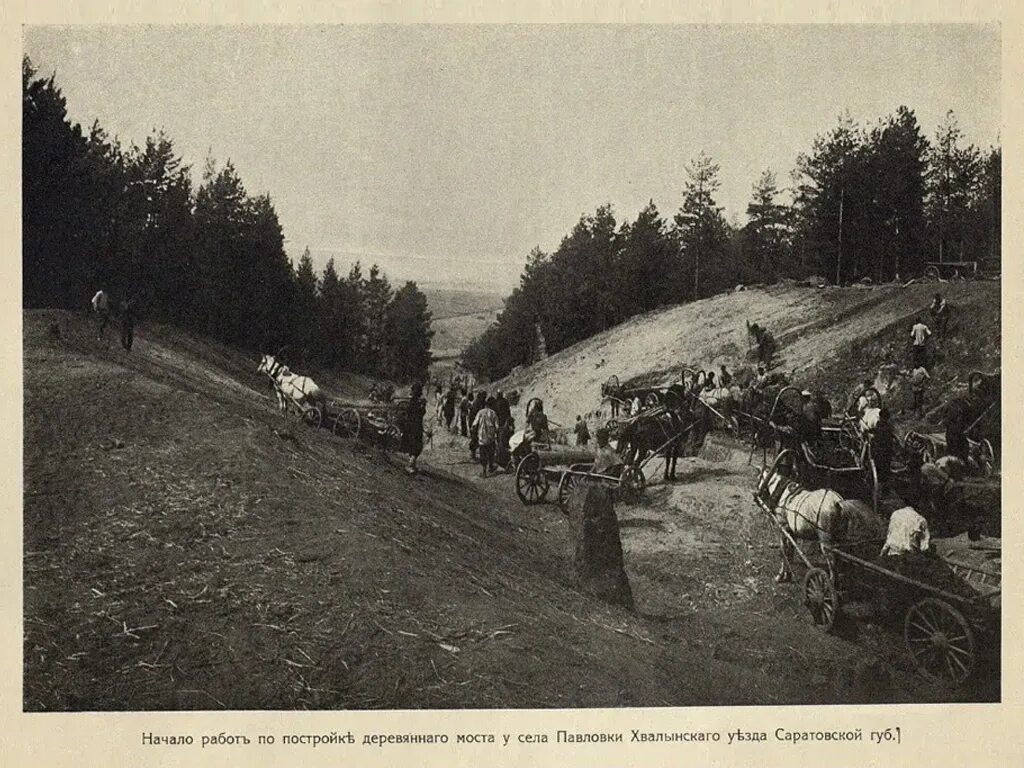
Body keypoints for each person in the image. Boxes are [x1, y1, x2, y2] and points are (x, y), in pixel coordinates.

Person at [401, 384, 427, 475]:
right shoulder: (415, 402)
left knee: (414, 444)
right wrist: (423, 405)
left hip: (411, 425)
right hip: (414, 426)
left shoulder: (413, 401)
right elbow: (421, 413)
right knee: (416, 445)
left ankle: (412, 464)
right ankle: (410, 465)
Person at [472, 397, 499, 477]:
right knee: (491, 452)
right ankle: (490, 467)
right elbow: (497, 427)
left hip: (481, 437)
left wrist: (474, 434)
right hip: (491, 437)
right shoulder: (493, 413)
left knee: (483, 454)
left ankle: (484, 471)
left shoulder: (480, 412)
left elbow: (475, 424)